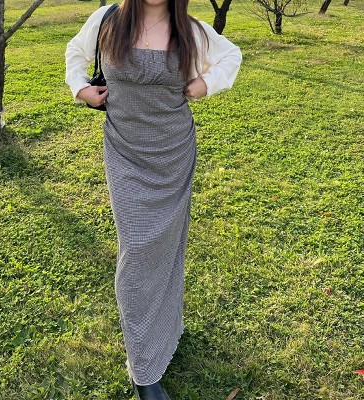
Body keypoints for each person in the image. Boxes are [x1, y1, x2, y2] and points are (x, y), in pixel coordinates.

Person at [65, 1, 242, 399]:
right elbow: (75, 52)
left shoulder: (190, 30)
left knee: (169, 247)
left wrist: (206, 84)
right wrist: (81, 89)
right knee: (139, 249)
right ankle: (144, 370)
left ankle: (168, 330)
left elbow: (232, 55)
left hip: (174, 153)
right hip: (125, 152)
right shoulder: (108, 20)